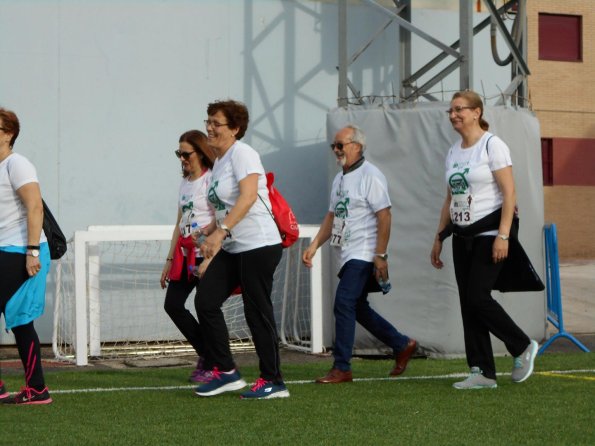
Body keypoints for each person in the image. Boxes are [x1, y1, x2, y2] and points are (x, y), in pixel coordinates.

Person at [430, 90, 538, 390]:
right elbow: (450, 198)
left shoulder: (493, 145)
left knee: (478, 296)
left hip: (489, 232)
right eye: (450, 111)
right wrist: (439, 236)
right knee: (468, 303)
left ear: (477, 112)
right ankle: (482, 371)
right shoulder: (453, 151)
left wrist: (503, 236)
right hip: (461, 235)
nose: (453, 115)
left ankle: (521, 345)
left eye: (459, 109)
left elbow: (509, 193)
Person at [302, 124, 417, 384]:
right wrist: (314, 245)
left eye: (340, 145)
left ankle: (342, 367)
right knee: (358, 307)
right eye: (333, 146)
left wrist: (381, 254)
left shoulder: (370, 175)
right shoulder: (339, 178)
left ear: (357, 145)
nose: (336, 150)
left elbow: (384, 215)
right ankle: (401, 344)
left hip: (364, 252)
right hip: (348, 252)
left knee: (343, 303)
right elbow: (332, 216)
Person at [194, 99, 289, 399]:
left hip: (259, 245)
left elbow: (248, 198)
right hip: (235, 245)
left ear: (235, 129)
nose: (209, 127)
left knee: (256, 311)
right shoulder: (220, 161)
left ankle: (274, 381)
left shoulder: (243, 154)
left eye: (216, 123)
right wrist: (209, 230)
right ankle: (227, 372)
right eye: (208, 121)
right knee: (206, 301)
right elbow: (227, 206)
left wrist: (220, 232)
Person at [0, 107, 52, 404]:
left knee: (21, 320)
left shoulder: (17, 164)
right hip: (4, 248)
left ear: (8, 134)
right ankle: (37, 389)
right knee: (20, 322)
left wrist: (32, 252)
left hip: (21, 249)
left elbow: (35, 207)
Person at [160, 130, 215, 383]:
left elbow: (221, 218)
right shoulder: (185, 183)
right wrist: (169, 259)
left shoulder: (211, 180)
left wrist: (204, 236)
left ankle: (214, 361)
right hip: (184, 255)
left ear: (201, 152)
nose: (182, 158)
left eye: (186, 153)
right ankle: (208, 354)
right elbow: (179, 222)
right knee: (172, 304)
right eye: (178, 153)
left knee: (205, 307)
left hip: (206, 254)